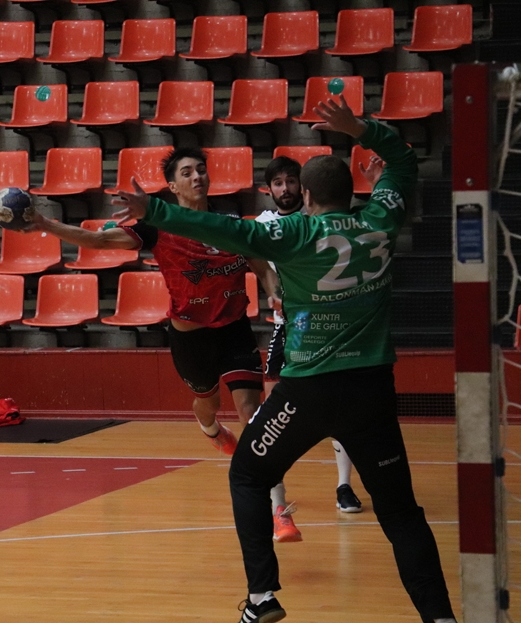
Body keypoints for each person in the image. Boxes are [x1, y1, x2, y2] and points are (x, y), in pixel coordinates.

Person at [112, 97, 456, 623]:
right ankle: (441, 617)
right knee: (402, 513)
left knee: (248, 476)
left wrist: (154, 211)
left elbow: (226, 232)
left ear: (307, 197)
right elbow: (404, 162)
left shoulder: (294, 233)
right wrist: (361, 129)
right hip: (372, 393)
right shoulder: (382, 218)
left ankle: (261, 598)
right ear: (353, 193)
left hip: (309, 391)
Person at [30, 147, 303, 542]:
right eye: (187, 172)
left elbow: (260, 265)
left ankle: (279, 510)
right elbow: (98, 241)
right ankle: (210, 428)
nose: (197, 177)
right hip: (191, 338)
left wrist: (274, 292)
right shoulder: (159, 229)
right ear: (173, 187)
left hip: (234, 329)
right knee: (207, 403)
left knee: (251, 413)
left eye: (201, 170)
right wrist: (44, 223)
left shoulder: (230, 225)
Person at [258, 155, 381, 515]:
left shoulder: (322, 219)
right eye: (278, 183)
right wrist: (270, 287)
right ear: (269, 190)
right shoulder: (264, 224)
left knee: (341, 409)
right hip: (288, 328)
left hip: (329, 325)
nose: (285, 188)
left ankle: (344, 484)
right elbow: (257, 263)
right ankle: (277, 499)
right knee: (271, 411)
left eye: (291, 181)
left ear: (305, 188)